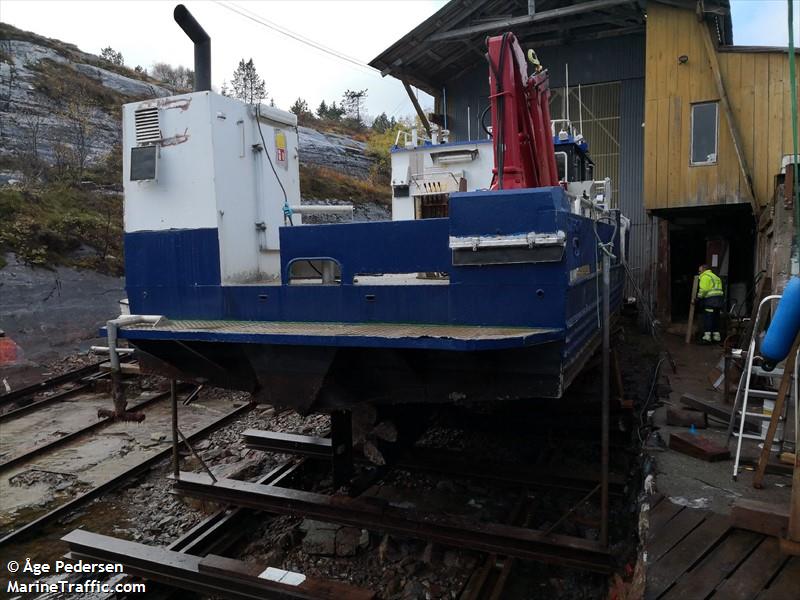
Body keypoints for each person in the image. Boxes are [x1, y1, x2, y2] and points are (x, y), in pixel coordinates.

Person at [697, 264, 724, 343]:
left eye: (700, 271)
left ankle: (707, 337)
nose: (699, 273)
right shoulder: (716, 277)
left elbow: (704, 290)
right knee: (716, 318)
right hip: (719, 301)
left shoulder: (705, 277)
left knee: (708, 318)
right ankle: (716, 337)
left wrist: (698, 297)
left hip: (710, 301)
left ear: (704, 270)